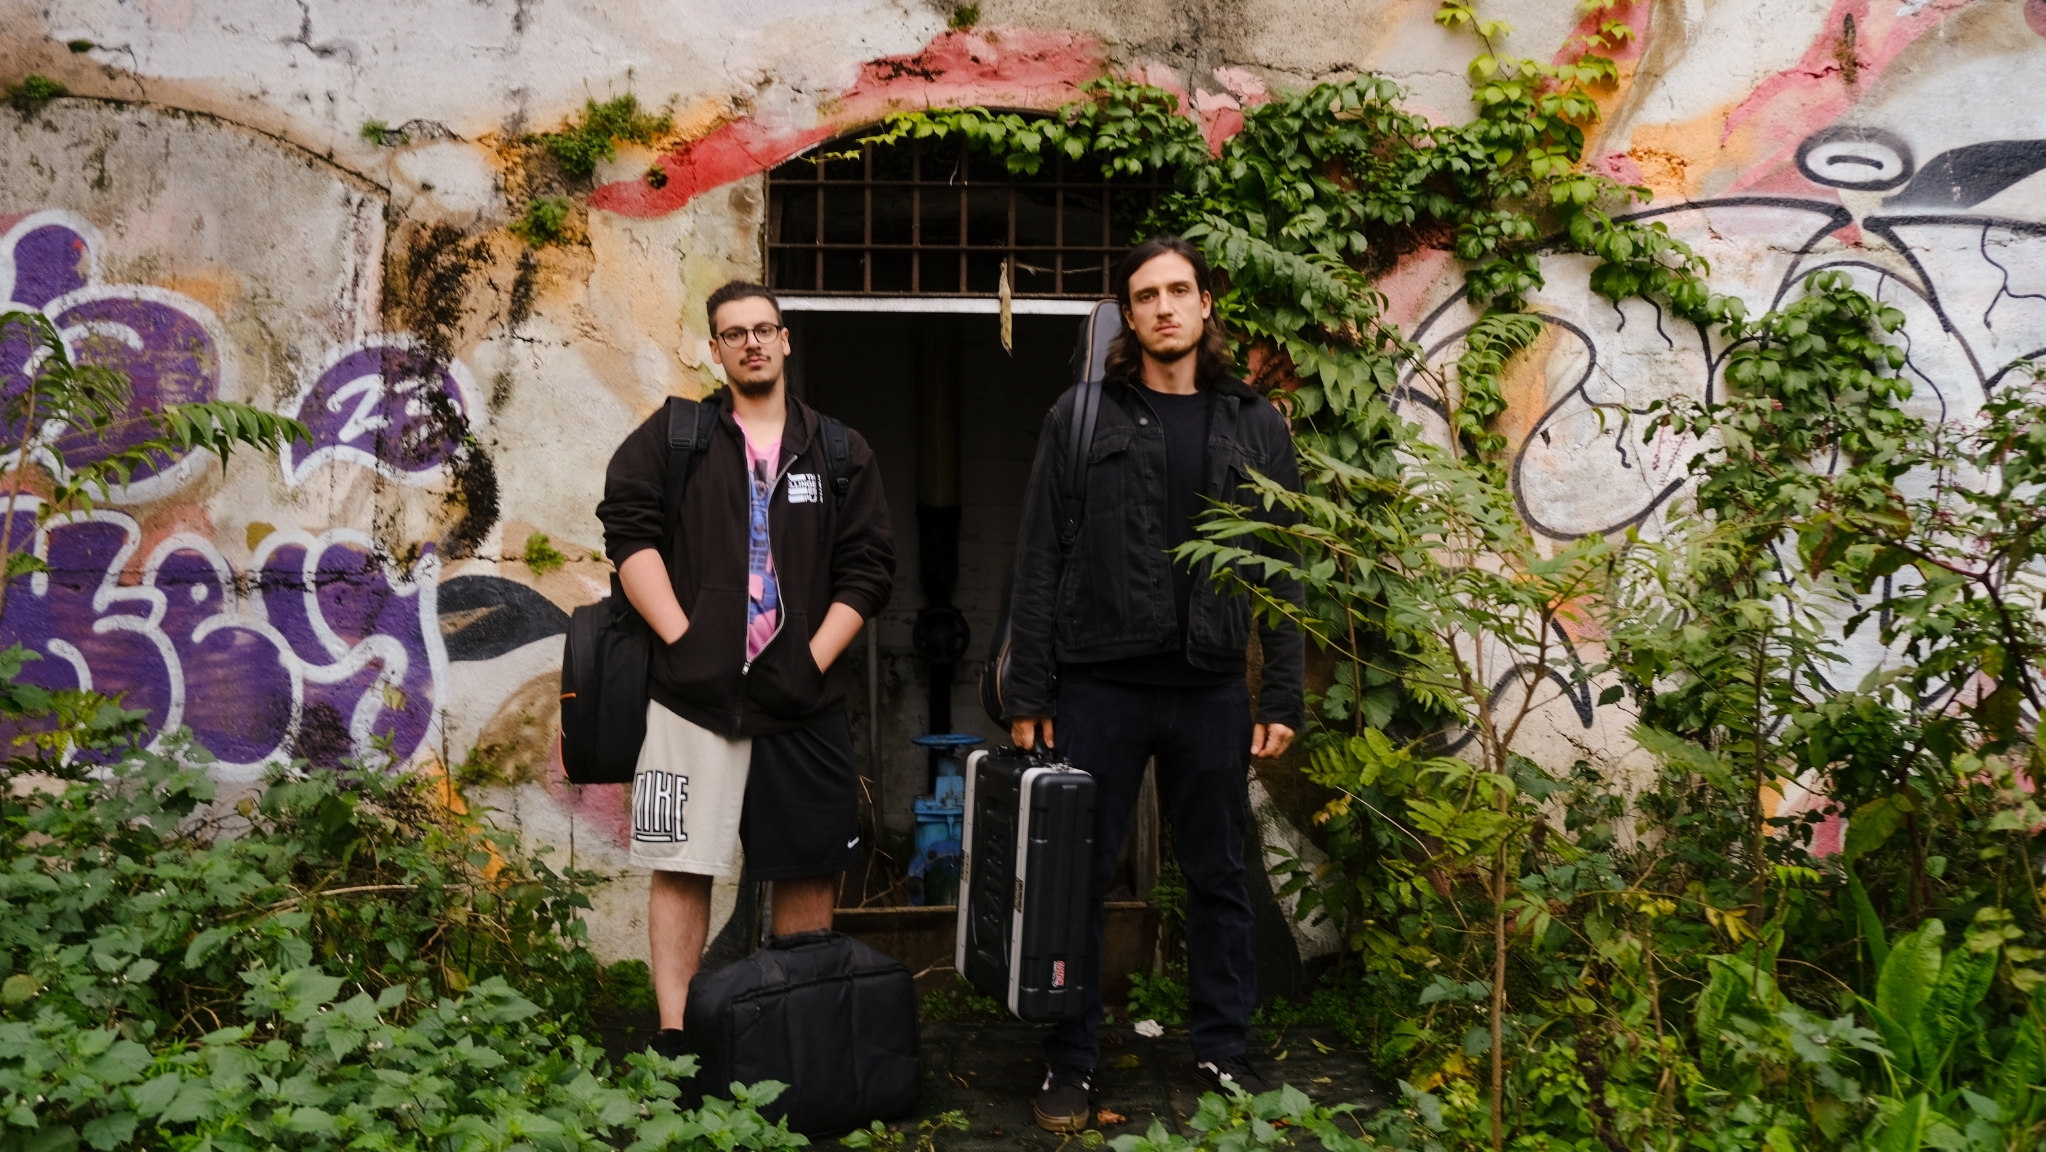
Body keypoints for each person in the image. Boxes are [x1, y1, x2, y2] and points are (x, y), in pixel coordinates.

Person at [1004, 237, 1306, 1131]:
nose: (1165, 307)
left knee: (1218, 873)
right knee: (1078, 878)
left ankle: (1223, 1048)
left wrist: (1280, 694)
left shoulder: (1255, 423)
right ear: (1127, 317)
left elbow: (1282, 567)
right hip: (1100, 687)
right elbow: (1039, 554)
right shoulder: (1082, 415)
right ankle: (1071, 1059)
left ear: (1206, 304)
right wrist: (1030, 692)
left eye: (1179, 291)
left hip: (1211, 688)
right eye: (1146, 295)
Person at [595, 281, 894, 1059]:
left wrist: (811, 660)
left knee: (808, 865)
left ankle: (797, 1037)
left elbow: (869, 569)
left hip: (804, 706)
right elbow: (627, 532)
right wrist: (682, 638)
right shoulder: (676, 436)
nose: (752, 343)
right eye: (735, 333)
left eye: (764, 329)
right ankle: (673, 1041)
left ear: (786, 340)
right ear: (716, 349)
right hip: (688, 702)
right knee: (678, 865)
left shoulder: (838, 450)